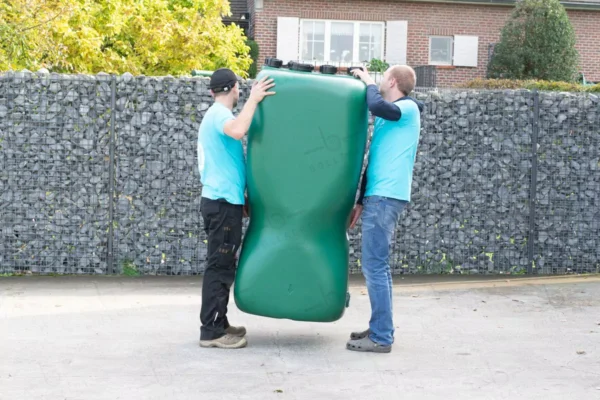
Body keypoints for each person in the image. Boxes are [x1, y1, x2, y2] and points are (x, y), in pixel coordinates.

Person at [346, 65, 424, 353]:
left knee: (375, 267)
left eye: (381, 78)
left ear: (391, 81)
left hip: (387, 196)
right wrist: (360, 202)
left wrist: (365, 79)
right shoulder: (388, 116)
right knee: (377, 267)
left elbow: (375, 103)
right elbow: (373, 161)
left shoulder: (408, 109)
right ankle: (380, 327)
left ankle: (381, 337)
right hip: (377, 196)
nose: (376, 82)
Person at [197, 68, 275, 349]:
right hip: (221, 203)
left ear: (211, 91)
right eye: (241, 90)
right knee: (219, 267)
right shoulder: (220, 115)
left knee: (223, 264)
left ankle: (219, 322)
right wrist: (254, 100)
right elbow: (239, 130)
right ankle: (211, 331)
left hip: (224, 201)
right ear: (235, 89)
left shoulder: (215, 114)